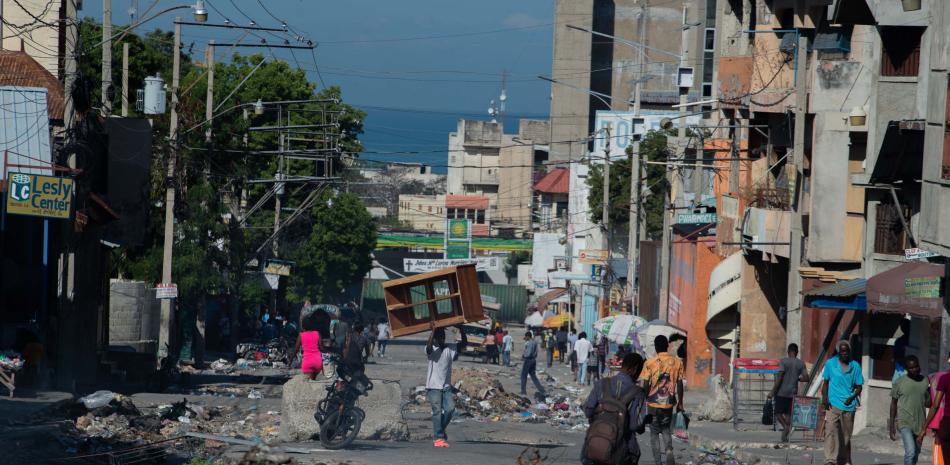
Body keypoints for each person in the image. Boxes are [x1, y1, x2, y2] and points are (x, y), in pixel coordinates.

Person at [582, 353, 648, 465]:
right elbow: (634, 425)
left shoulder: (601, 384)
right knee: (633, 454)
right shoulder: (638, 393)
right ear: (635, 369)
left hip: (595, 446)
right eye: (639, 371)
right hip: (622, 450)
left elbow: (588, 411)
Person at [639, 335, 684, 465]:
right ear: (667, 346)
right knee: (665, 429)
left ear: (656, 347)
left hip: (653, 404)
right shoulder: (677, 362)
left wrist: (644, 399)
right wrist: (680, 403)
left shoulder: (649, 362)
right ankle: (669, 449)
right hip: (668, 403)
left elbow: (645, 384)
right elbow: (680, 384)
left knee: (654, 432)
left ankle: (658, 462)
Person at [821, 340, 864, 465]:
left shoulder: (855, 366)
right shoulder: (830, 364)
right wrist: (825, 398)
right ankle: (830, 460)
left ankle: (842, 459)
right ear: (838, 352)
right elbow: (825, 383)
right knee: (830, 431)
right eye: (842, 352)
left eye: (847, 351)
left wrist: (852, 397)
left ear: (850, 352)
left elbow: (859, 387)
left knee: (845, 436)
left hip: (848, 406)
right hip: (833, 404)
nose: (845, 354)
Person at [425, 321, 461, 448]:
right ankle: (439, 437)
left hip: (445, 387)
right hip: (433, 386)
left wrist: (462, 329)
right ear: (435, 338)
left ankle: (440, 428)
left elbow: (464, 345)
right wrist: (433, 331)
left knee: (450, 409)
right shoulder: (431, 348)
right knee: (437, 411)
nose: (442, 339)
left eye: (443, 337)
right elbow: (428, 348)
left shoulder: (450, 349)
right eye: (439, 337)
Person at [890, 355, 929, 465]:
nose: (914, 369)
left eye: (916, 366)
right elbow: (893, 404)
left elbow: (928, 403)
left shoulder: (925, 381)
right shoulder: (899, 382)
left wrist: (930, 393)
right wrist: (891, 425)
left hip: (920, 423)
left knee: (915, 453)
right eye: (911, 368)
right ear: (907, 369)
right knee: (910, 452)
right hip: (904, 421)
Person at [768, 343, 808, 443]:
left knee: (777, 413)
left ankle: (785, 427)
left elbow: (780, 377)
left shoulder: (783, 362)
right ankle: (785, 436)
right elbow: (806, 378)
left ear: (788, 351)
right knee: (789, 414)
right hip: (793, 392)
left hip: (781, 392)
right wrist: (797, 378)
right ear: (797, 352)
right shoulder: (801, 363)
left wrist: (773, 391)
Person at [921, 351, 950, 465]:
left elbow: (935, 405)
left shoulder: (944, 378)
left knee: (947, 458)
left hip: (947, 422)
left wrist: (924, 427)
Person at [288, 313, 324, 380]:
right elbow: (321, 348)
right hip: (317, 362)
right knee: (314, 381)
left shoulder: (301, 335)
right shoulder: (317, 333)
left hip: (307, 362)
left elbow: (296, 349)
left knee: (308, 383)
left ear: (303, 326)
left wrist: (290, 361)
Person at [521, 331, 547, 399]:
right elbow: (536, 352)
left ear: (528, 336)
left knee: (523, 376)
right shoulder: (535, 342)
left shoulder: (529, 343)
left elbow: (528, 353)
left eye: (526, 337)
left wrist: (524, 356)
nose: (525, 338)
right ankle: (542, 390)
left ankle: (523, 391)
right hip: (533, 360)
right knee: (533, 376)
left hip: (528, 360)